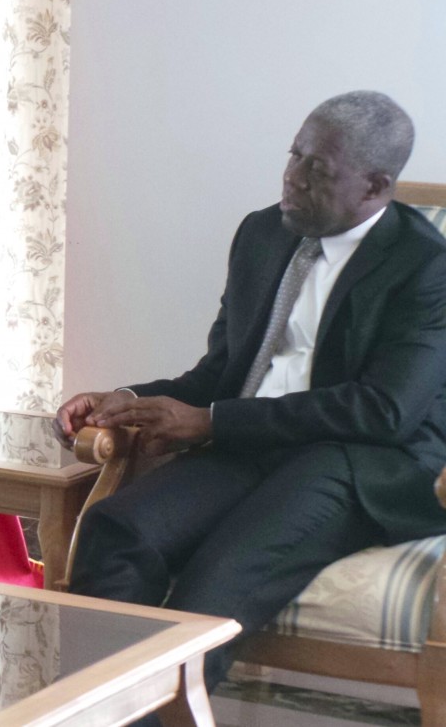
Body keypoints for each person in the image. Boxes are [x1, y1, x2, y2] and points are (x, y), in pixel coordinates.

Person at [54, 91, 446, 691]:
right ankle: (92, 708)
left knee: (214, 582)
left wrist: (212, 423)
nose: (292, 178)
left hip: (358, 461)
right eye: (295, 155)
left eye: (317, 170)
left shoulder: (425, 265)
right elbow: (223, 375)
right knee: (118, 530)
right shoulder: (264, 234)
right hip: (250, 443)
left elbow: (385, 411)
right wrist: (127, 397)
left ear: (375, 187)